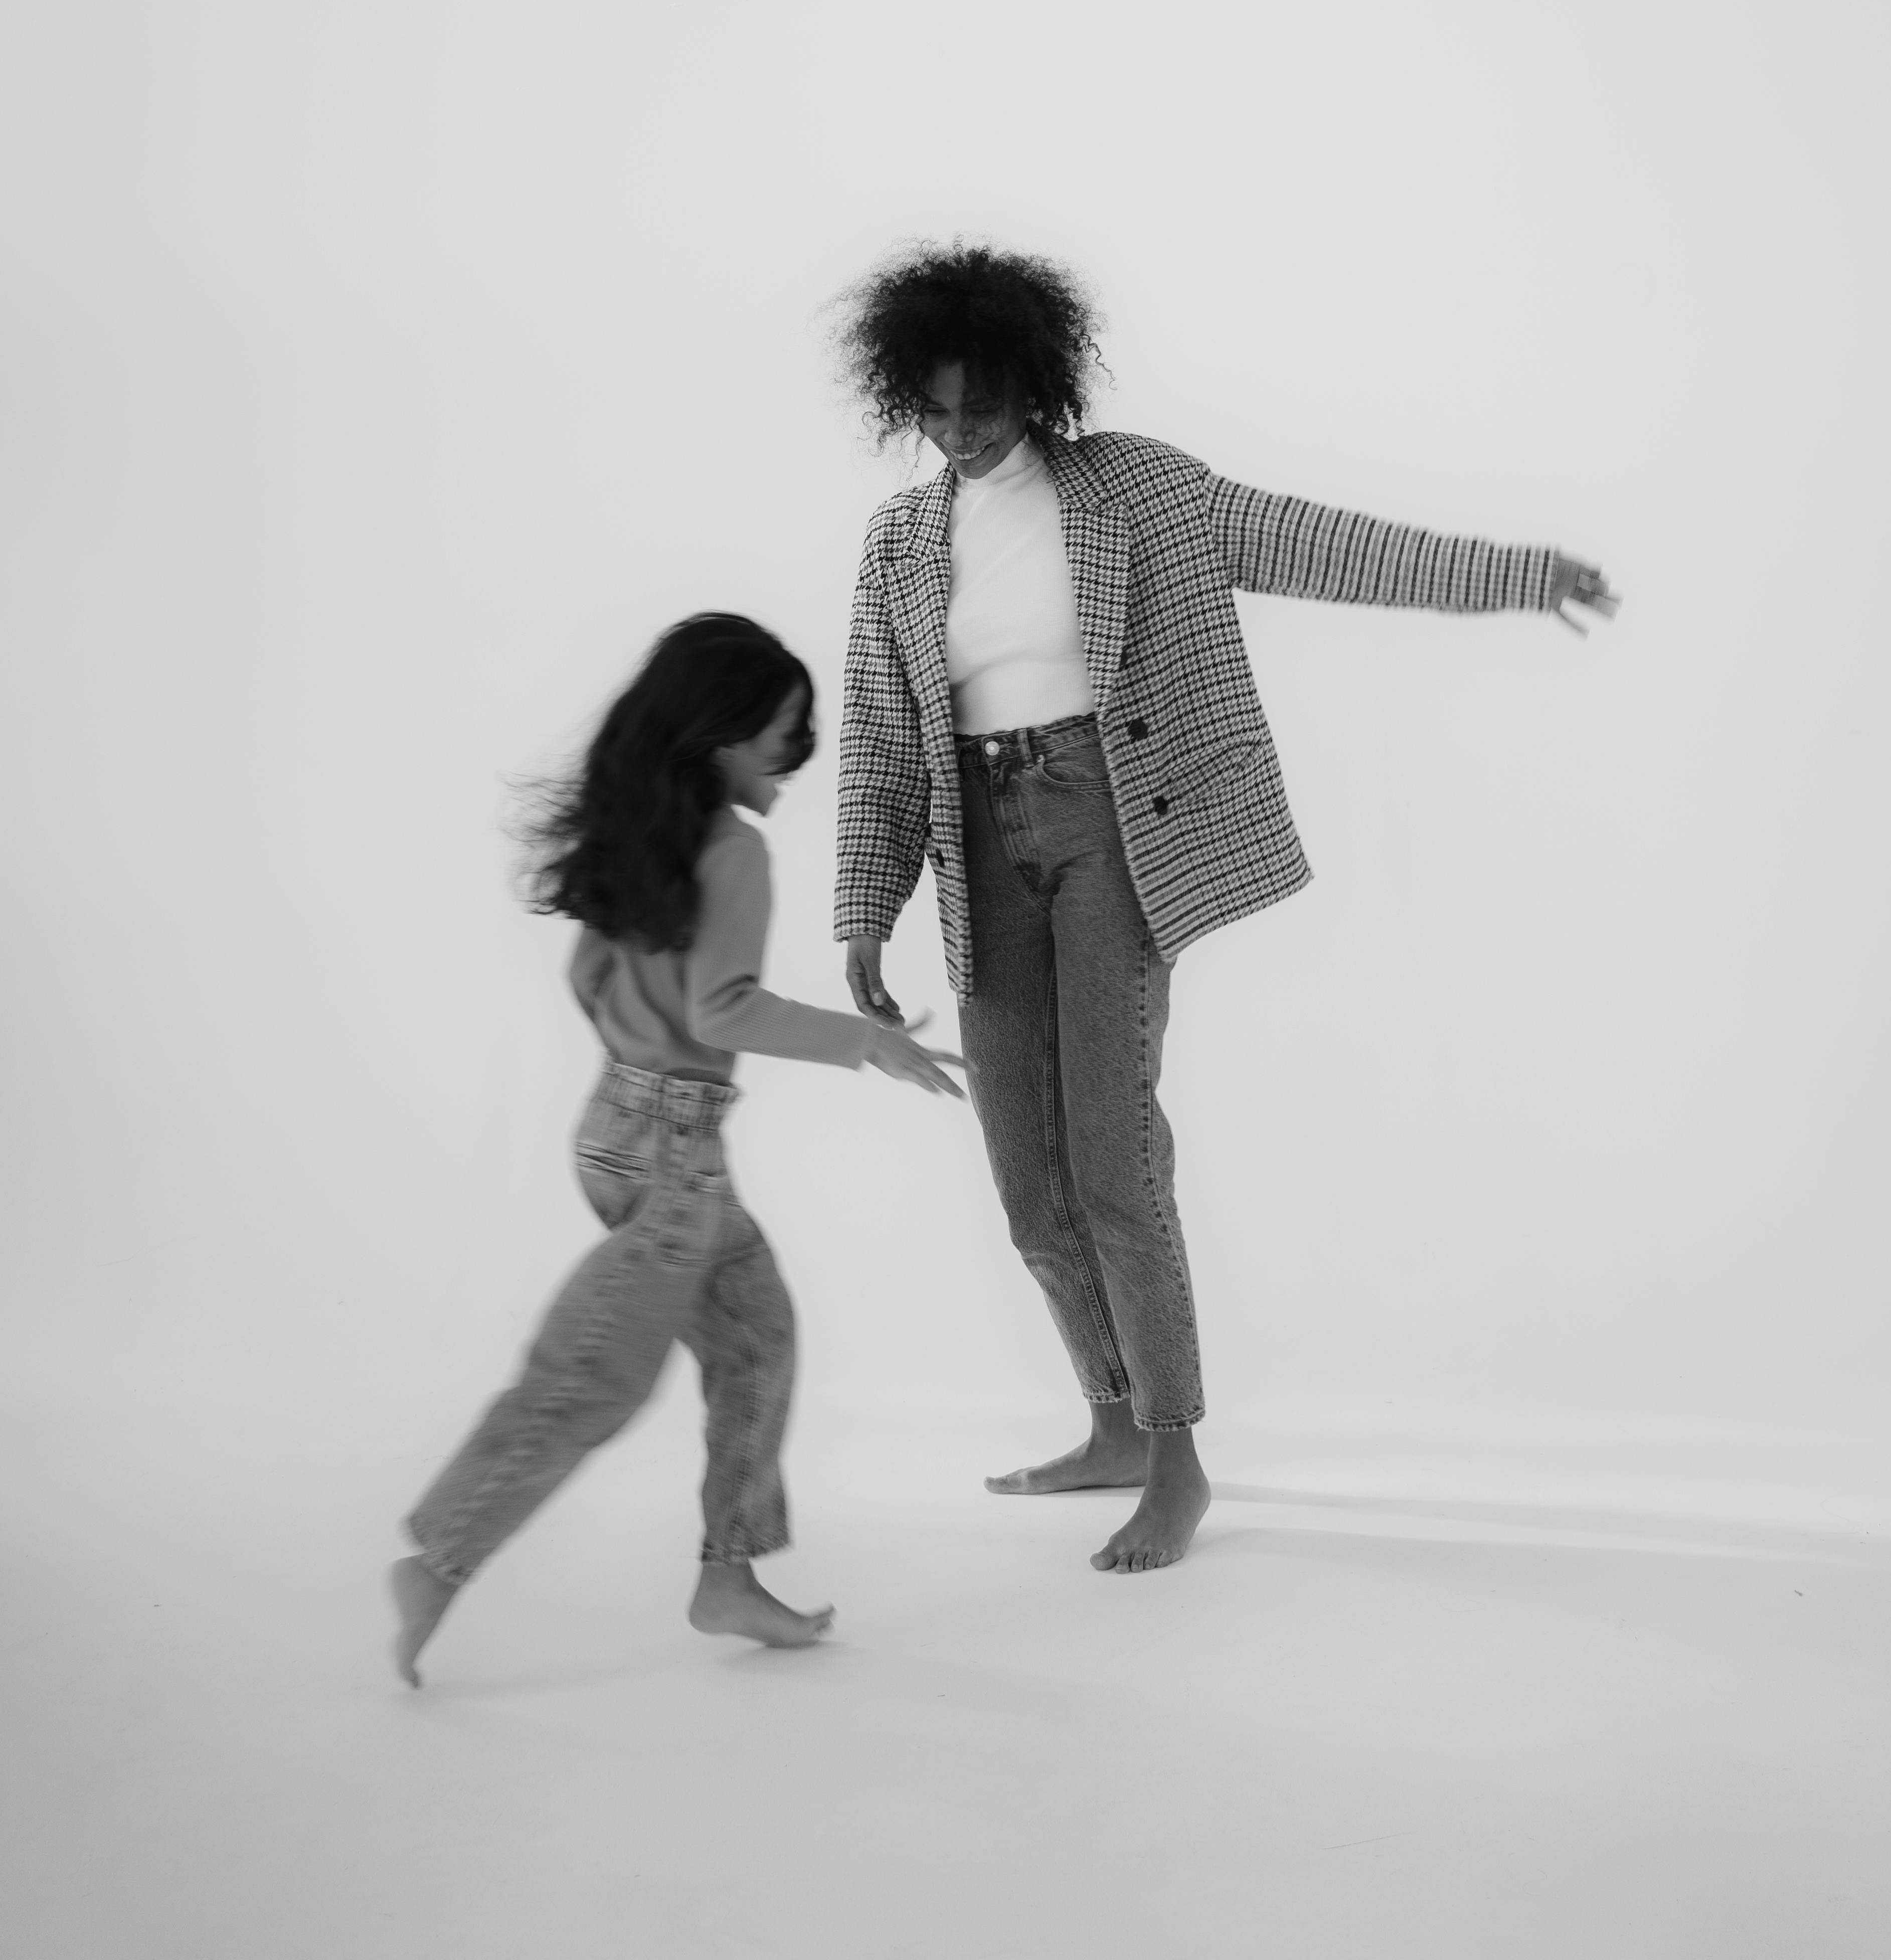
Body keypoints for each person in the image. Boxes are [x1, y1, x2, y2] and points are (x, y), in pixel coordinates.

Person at [830, 244, 1616, 1577]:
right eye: (939, 409)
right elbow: (879, 735)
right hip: (979, 839)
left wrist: (1518, 573)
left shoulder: (1139, 489)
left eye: (987, 402)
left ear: (1038, 384)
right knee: (1029, 1186)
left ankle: (1178, 1453)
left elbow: (1330, 547)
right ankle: (1113, 1423)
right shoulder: (902, 539)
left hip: (1114, 827)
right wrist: (865, 906)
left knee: (1115, 1156)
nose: (962, 433)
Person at [390, 612, 963, 1686]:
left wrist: (639, 1074)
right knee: (593, 1376)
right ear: (718, 734)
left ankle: (727, 1577)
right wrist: (866, 1043)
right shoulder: (732, 849)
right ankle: (443, 1559)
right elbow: (725, 1012)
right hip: (675, 1159)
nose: (793, 756)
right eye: (778, 733)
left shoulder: (643, 836)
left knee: (755, 1339)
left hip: (616, 1129)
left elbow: (588, 982)